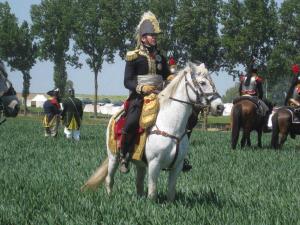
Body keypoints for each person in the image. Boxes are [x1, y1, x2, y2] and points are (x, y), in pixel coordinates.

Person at [119, 11, 173, 173]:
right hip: (139, 97)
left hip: (160, 96)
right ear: (143, 38)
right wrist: (141, 88)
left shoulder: (161, 57)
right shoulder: (133, 57)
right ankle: (124, 155)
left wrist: (171, 78)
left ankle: (178, 157)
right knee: (131, 122)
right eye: (151, 35)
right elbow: (127, 81)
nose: (155, 38)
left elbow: (166, 75)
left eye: (156, 35)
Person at [238, 62, 270, 130]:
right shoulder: (256, 79)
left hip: (242, 97)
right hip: (253, 97)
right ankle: (265, 126)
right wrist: (260, 98)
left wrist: (241, 97)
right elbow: (261, 92)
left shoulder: (243, 78)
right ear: (255, 71)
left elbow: (240, 89)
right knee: (266, 109)